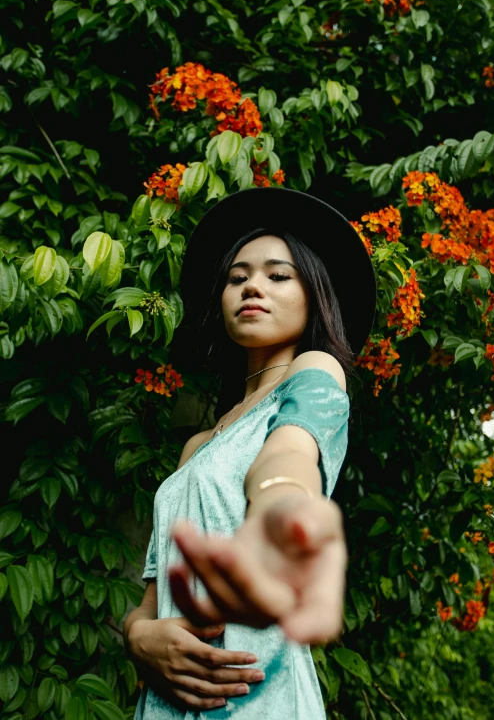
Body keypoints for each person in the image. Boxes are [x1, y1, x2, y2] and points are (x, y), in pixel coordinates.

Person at [124, 187, 376, 718]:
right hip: (165, 702)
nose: (251, 287)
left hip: (257, 696)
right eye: (237, 278)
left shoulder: (313, 373)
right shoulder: (197, 445)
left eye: (277, 275)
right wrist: (138, 637)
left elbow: (289, 457)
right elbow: (151, 599)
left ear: (314, 295)